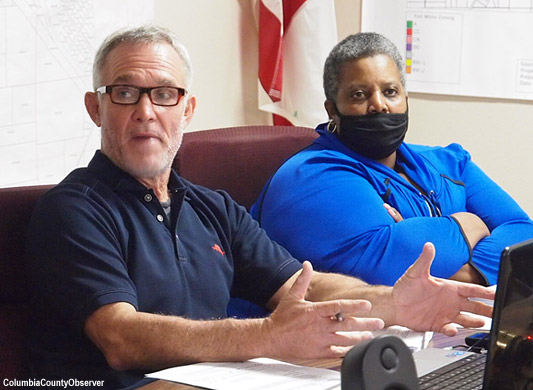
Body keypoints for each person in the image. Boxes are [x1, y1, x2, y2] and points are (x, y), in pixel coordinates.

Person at [25, 25, 494, 389]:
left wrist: (395, 304)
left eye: (164, 94)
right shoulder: (72, 210)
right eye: (125, 93)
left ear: (186, 110)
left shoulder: (212, 207)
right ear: (96, 108)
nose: (146, 111)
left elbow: (299, 287)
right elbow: (121, 339)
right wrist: (267, 336)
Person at [251, 32, 533, 288]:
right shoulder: (311, 176)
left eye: (390, 92)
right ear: (332, 110)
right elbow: (386, 271)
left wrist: (469, 272)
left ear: (405, 99)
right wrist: (470, 223)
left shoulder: (450, 162)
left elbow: (523, 232)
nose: (379, 104)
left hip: (441, 333)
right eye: (359, 94)